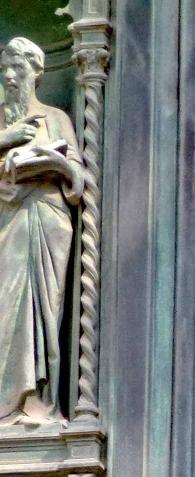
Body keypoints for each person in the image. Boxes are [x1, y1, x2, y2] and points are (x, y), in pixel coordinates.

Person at [0, 38, 84, 424]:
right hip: (7, 225)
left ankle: (37, 399)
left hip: (47, 222)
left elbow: (79, 180)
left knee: (42, 314)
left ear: (37, 72)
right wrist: (7, 141)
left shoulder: (55, 118)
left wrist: (56, 164)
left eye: (17, 67)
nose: (9, 76)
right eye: (5, 68)